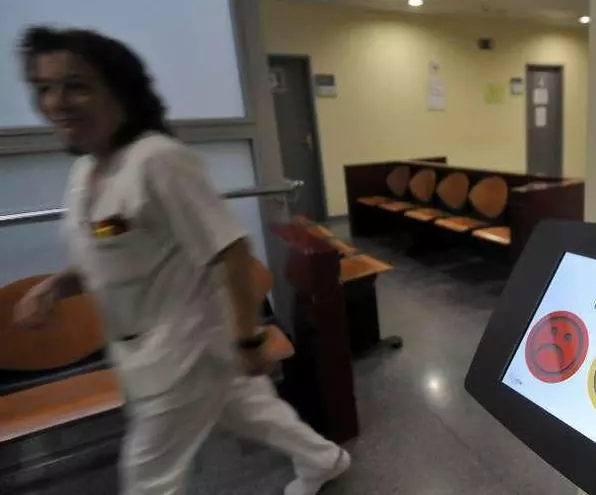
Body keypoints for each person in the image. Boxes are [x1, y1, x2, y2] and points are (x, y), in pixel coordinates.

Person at [12, 26, 349, 495]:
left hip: (184, 351)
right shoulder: (86, 171)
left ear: (120, 91)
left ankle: (323, 459)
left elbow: (230, 249)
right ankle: (325, 459)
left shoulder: (159, 162)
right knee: (252, 411)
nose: (56, 102)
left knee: (148, 477)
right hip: (144, 351)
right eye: (44, 88)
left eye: (76, 86)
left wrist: (248, 339)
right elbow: (105, 256)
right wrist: (54, 287)